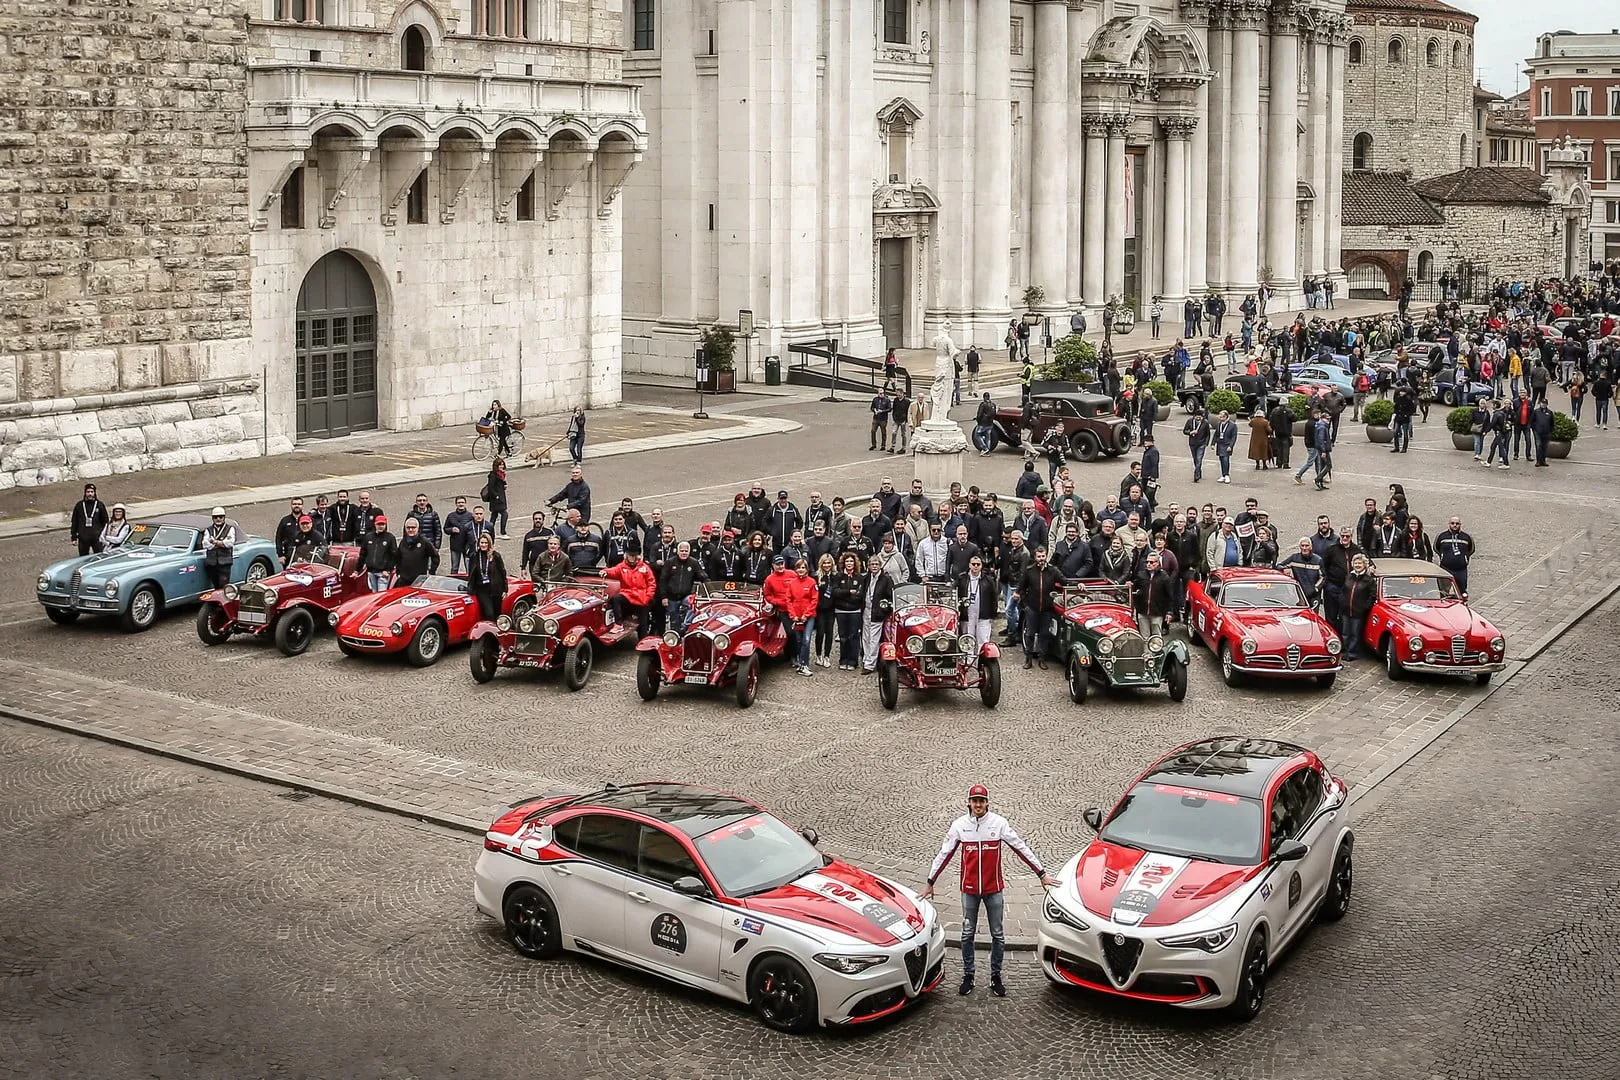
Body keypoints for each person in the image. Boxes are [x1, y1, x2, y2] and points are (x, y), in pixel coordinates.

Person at [921, 785, 1057, 998]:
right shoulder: (959, 826)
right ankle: (968, 975)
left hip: (994, 890)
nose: (977, 805)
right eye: (974, 801)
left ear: (987, 803)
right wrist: (931, 881)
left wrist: (1041, 874)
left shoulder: (999, 824)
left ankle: (996, 977)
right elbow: (944, 853)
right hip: (969, 891)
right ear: (968, 802)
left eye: (981, 801)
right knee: (967, 934)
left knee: (998, 935)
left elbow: (1020, 847)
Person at [1015, 545, 1063, 670]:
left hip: (1047, 609)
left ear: (1046, 556)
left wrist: (1078, 584)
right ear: (1035, 557)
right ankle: (1028, 659)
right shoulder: (1029, 570)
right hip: (1032, 607)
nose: (1041, 559)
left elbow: (1064, 581)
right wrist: (1025, 603)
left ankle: (1042, 659)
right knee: (1030, 634)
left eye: (1043, 556)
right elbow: (1021, 586)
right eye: (1039, 556)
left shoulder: (1053, 570)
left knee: (1044, 634)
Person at [860, 553, 894, 672]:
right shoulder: (866, 578)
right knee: (865, 637)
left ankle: (870, 664)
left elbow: (890, 596)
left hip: (877, 612)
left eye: (876, 564)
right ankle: (866, 658)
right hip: (866, 610)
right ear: (868, 566)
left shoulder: (886, 579)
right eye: (872, 564)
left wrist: (883, 609)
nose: (874, 566)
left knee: (874, 639)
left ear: (880, 565)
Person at [1341, 554, 1377, 660]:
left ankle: (1352, 653)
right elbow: (1343, 591)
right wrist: (1342, 602)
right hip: (1346, 610)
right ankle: (1346, 651)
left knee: (1355, 633)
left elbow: (1372, 595)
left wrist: (1365, 607)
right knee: (1345, 633)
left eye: (1360, 563)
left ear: (1364, 565)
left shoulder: (1368, 580)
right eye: (1356, 563)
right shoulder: (1349, 576)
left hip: (1358, 611)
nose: (1357, 565)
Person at [466, 532, 508, 622]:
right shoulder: (474, 556)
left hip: (496, 588)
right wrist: (470, 587)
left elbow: (503, 572)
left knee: (497, 613)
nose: (483, 545)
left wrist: (505, 589)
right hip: (482, 589)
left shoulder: (496, 556)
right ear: (478, 543)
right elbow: (471, 573)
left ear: (489, 543)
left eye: (486, 543)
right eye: (482, 543)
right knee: (489, 613)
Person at [1277, 538, 1325, 609]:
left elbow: (1323, 577)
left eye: (1307, 546)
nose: (1304, 548)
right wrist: (1284, 569)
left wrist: (1315, 588)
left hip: (1314, 596)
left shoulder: (1318, 560)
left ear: (1311, 547)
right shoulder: (1294, 558)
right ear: (1299, 547)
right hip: (1299, 595)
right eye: (1302, 546)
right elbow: (1278, 565)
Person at [201, 507, 240, 591]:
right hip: (212, 563)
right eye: (215, 517)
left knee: (224, 586)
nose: (218, 519)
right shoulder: (208, 530)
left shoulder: (230, 528)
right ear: (212, 518)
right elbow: (205, 544)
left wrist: (214, 542)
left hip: (225, 562)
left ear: (224, 517)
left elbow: (229, 543)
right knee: (216, 586)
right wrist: (221, 543)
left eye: (220, 517)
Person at [393, 518, 440, 587]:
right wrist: (398, 572)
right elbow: (398, 558)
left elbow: (435, 556)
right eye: (408, 528)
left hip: (419, 581)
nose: (410, 530)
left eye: (413, 527)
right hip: (404, 580)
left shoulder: (424, 542)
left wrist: (431, 572)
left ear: (418, 528)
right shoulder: (403, 542)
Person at [359, 513, 398, 592]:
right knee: (373, 594)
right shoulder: (368, 537)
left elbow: (394, 556)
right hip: (370, 572)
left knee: (380, 595)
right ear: (375, 524)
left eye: (382, 524)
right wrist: (357, 570)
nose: (380, 526)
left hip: (382, 573)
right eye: (379, 524)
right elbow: (363, 554)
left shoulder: (390, 537)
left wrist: (388, 570)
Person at [69, 483, 110, 556]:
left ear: (94, 493)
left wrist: (105, 536)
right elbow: (75, 522)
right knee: (83, 558)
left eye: (92, 492)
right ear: (85, 493)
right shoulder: (79, 505)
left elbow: (105, 521)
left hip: (97, 538)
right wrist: (74, 537)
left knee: (99, 557)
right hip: (83, 538)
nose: (90, 494)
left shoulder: (100, 505)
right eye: (88, 492)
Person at [482, 458, 510, 539]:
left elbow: (500, 485)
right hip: (497, 499)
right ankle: (503, 532)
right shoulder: (493, 476)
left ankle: (489, 531)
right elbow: (491, 487)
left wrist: (504, 486)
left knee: (494, 515)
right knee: (504, 514)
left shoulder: (501, 474)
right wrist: (496, 496)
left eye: (502, 464)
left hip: (500, 497)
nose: (501, 466)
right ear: (496, 466)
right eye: (500, 465)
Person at [1183, 406, 1210, 482]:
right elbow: (1184, 431)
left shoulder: (1205, 423)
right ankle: (1199, 471)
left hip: (1201, 444)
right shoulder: (1189, 421)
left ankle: (1196, 475)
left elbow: (1208, 434)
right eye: (1197, 417)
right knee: (1195, 459)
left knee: (1199, 459)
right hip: (1192, 443)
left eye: (1200, 417)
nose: (1198, 418)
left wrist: (1206, 443)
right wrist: (1190, 433)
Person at [1213, 409, 1238, 483]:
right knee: (1221, 459)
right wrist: (1213, 443)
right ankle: (1223, 475)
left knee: (1225, 460)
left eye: (1222, 417)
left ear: (1226, 417)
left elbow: (1234, 437)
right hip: (1220, 444)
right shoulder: (1219, 424)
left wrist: (1231, 446)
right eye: (1220, 417)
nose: (1221, 419)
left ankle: (1226, 475)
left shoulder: (1232, 425)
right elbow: (1216, 434)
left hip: (1227, 444)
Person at [1530, 399, 1554, 466]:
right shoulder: (1536, 412)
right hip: (1538, 432)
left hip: (1546, 432)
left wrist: (1550, 431)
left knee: (1544, 447)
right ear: (1540, 403)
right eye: (1542, 403)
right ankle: (1538, 461)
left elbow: (1552, 423)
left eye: (1545, 403)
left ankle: (1543, 460)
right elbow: (1532, 421)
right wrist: (1534, 429)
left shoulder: (1550, 412)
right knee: (1538, 445)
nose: (1543, 404)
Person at [890, 387, 912, 453]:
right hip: (896, 419)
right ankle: (892, 446)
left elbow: (908, 411)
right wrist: (893, 417)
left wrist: (906, 420)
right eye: (897, 395)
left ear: (902, 394)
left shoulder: (907, 401)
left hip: (903, 420)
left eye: (899, 395)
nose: (898, 396)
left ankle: (903, 447)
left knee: (903, 434)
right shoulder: (896, 400)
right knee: (894, 432)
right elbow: (894, 409)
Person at [869, 387, 892, 451]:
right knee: (873, 431)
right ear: (878, 393)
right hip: (876, 418)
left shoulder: (887, 400)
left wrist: (882, 411)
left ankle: (883, 445)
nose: (882, 394)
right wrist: (874, 410)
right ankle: (873, 444)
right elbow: (872, 407)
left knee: (883, 432)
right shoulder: (875, 399)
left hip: (883, 418)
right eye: (880, 393)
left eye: (883, 393)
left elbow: (889, 409)